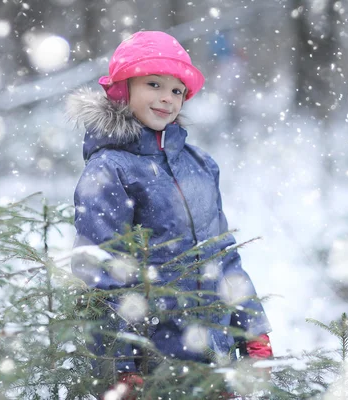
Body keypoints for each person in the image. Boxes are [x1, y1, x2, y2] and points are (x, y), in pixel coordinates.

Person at [66, 31, 273, 399]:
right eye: (154, 83)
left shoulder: (200, 165)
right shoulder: (110, 170)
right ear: (122, 88)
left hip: (214, 361)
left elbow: (224, 257)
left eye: (177, 90)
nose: (166, 97)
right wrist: (119, 367)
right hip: (152, 365)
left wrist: (252, 330)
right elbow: (100, 273)